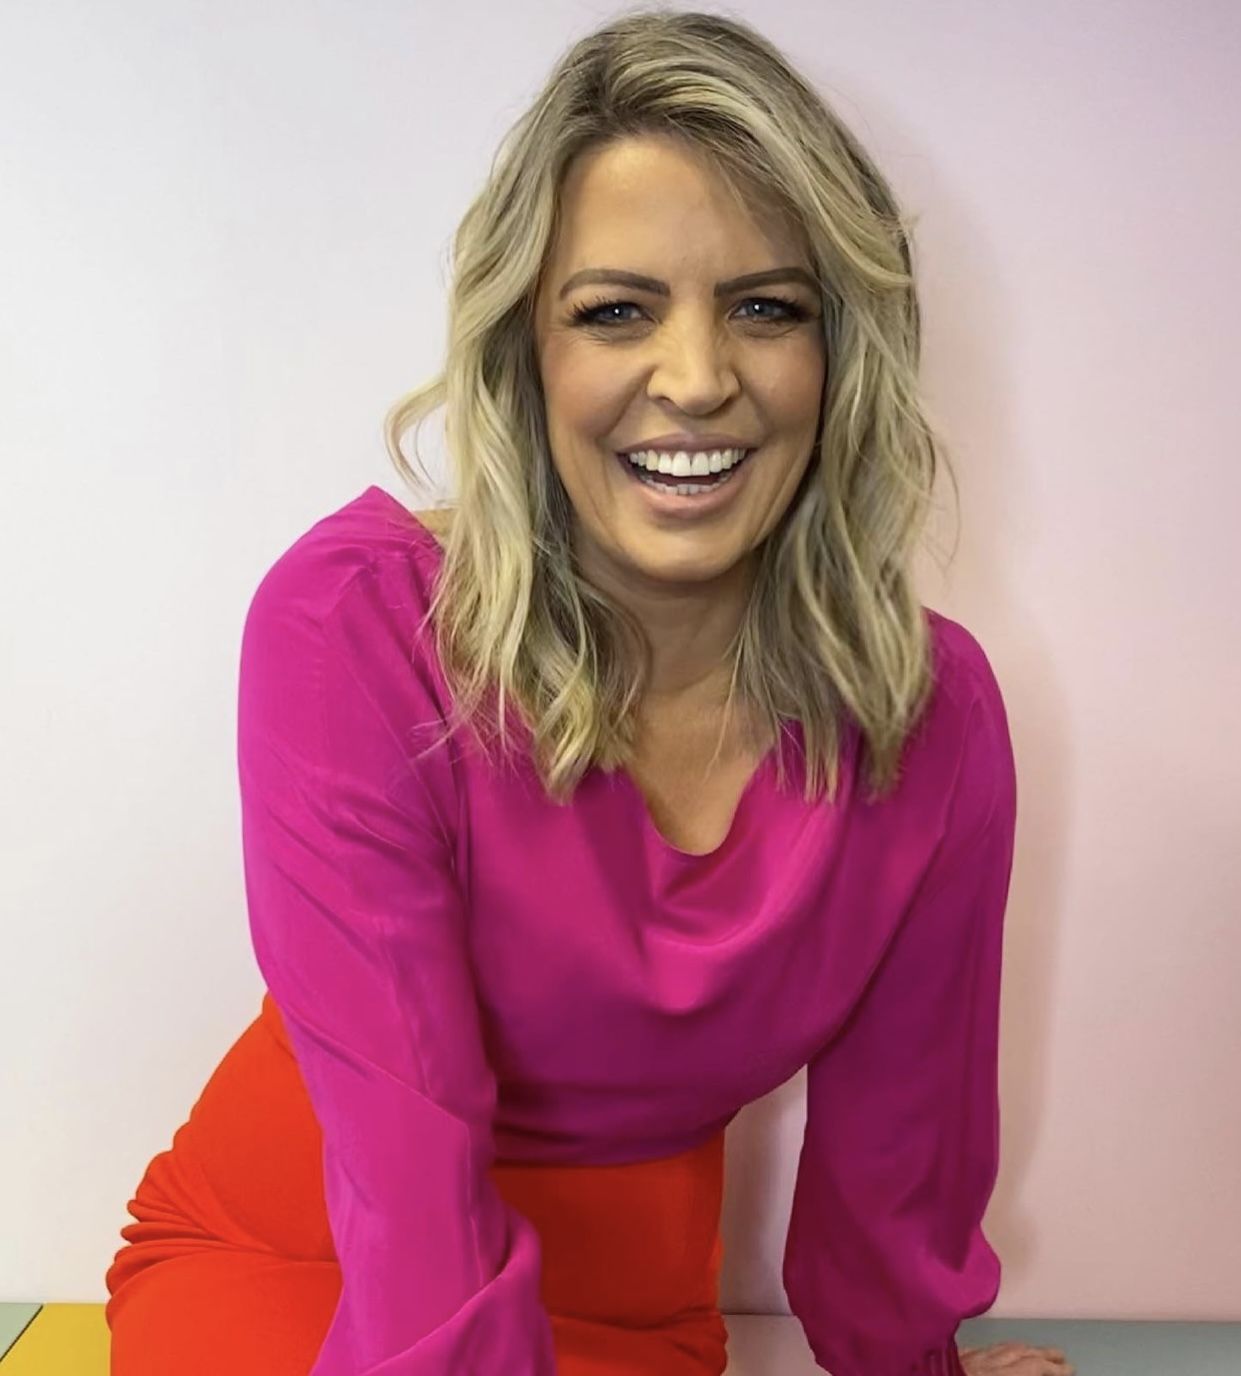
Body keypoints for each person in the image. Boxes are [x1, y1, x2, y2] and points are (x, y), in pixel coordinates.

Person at [104, 10, 1073, 1376]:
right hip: (303, 1257)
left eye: (767, 308)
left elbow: (899, 1149)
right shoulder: (356, 628)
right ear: (527, 352)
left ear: (842, 353)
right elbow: (403, 1159)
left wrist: (912, 1370)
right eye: (615, 311)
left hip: (633, 1305)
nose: (697, 379)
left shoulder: (931, 716)